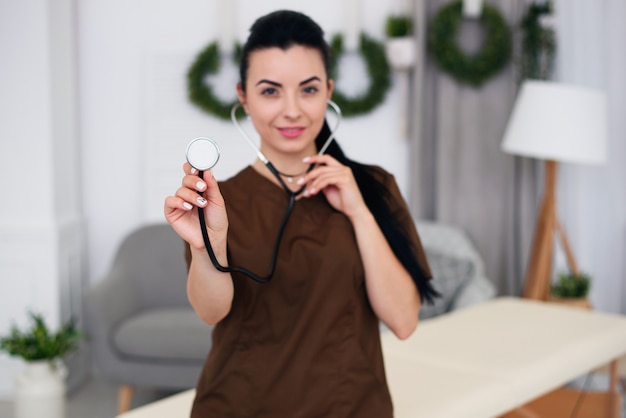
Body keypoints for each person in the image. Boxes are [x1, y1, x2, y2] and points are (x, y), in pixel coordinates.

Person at [164, 9, 437, 417]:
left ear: (328, 91)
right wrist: (208, 247)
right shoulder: (221, 201)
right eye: (271, 91)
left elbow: (403, 321)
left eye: (307, 90)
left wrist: (359, 211)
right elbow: (210, 312)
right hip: (239, 405)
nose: (292, 110)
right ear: (243, 96)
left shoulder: (374, 187)